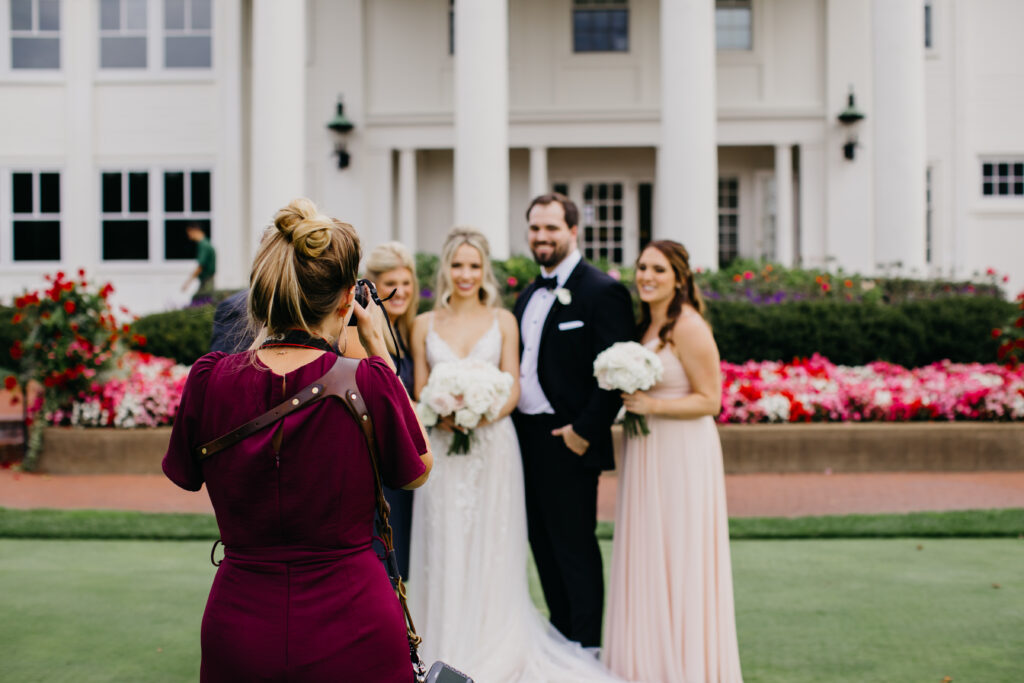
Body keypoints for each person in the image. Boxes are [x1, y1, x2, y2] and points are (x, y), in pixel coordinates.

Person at [162, 198, 433, 682]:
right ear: (349, 299)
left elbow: (184, 474)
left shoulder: (208, 380)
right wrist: (379, 351)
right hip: (357, 620)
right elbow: (418, 468)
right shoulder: (367, 380)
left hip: (241, 621)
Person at [408, 227, 619, 681]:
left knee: (491, 544)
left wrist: (481, 413)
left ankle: (491, 641)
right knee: (442, 541)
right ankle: (437, 643)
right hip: (442, 449)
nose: (466, 274)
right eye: (458, 265)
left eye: (474, 265)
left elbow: (514, 384)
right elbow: (421, 387)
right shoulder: (423, 324)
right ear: (445, 268)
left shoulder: (504, 319)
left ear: (485, 270)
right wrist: (442, 413)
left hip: (493, 446)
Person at [603, 240, 744, 683]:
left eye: (658, 270)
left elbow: (711, 401)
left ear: (679, 278)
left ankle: (686, 666)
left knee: (679, 550)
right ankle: (648, 663)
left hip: (682, 452)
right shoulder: (650, 325)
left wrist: (652, 406)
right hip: (647, 450)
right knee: (649, 547)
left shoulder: (688, 325)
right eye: (642, 267)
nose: (646, 276)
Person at [512, 193, 634, 648]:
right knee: (541, 545)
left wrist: (584, 431)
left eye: (551, 228)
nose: (541, 237)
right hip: (525, 439)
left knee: (574, 548)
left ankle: (587, 649)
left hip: (569, 440)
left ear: (572, 231)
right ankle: (562, 645)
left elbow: (617, 371)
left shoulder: (602, 292)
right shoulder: (526, 295)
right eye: (535, 229)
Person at [364, 241, 420, 580]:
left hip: (405, 462)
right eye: (390, 285)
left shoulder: (407, 331)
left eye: (407, 283)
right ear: (373, 287)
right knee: (380, 563)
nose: (400, 292)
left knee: (401, 563)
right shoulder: (366, 334)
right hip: (378, 466)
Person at [182, 224, 216, 303]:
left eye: (189, 233)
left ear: (195, 230)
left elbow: (200, 266)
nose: (189, 236)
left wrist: (188, 282)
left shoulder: (203, 245)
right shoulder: (207, 243)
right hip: (208, 279)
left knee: (198, 301)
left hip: (206, 280)